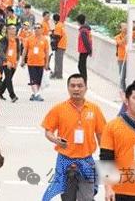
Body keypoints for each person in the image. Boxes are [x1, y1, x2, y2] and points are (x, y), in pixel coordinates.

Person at [41, 73, 106, 201]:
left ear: (86, 88)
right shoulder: (59, 109)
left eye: (80, 86)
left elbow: (101, 134)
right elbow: (48, 131)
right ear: (68, 88)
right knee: (67, 197)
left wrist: (104, 157)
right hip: (65, 161)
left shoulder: (94, 109)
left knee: (87, 197)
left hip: (87, 161)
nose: (76, 89)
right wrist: (55, 140)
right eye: (73, 86)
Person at [21, 22, 50, 102]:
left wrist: (47, 63)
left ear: (42, 29)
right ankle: (37, 95)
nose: (36, 29)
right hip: (31, 63)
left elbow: (47, 52)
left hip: (41, 63)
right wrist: (22, 60)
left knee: (38, 80)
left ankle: (34, 94)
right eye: (35, 28)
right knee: (33, 79)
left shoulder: (45, 40)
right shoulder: (29, 39)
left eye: (38, 28)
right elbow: (25, 50)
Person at [0, 25, 20, 102]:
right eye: (12, 28)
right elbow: (1, 52)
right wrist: (7, 61)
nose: (14, 30)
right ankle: (12, 96)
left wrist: (17, 60)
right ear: (8, 30)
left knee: (7, 79)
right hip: (5, 63)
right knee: (9, 79)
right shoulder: (3, 40)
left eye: (14, 28)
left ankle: (0, 93)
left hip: (14, 63)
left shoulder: (17, 39)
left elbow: (18, 50)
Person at [51, 13, 67, 80]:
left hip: (60, 45)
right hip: (63, 44)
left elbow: (57, 36)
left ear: (54, 20)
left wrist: (53, 45)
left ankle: (58, 74)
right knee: (58, 60)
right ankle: (57, 73)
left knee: (58, 60)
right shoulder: (61, 25)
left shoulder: (57, 26)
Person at [76, 14, 92, 80]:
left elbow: (86, 42)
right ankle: (83, 79)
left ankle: (84, 80)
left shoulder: (83, 31)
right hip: (84, 51)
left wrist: (89, 51)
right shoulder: (85, 29)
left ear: (79, 22)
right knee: (81, 66)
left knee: (81, 66)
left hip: (84, 51)